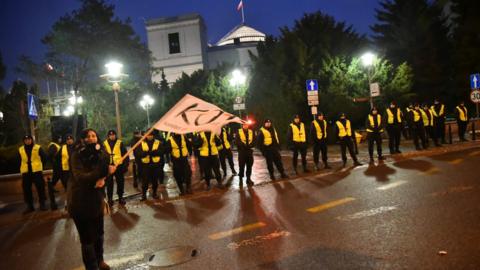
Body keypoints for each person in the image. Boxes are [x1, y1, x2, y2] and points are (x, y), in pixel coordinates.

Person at [67, 128, 113, 270]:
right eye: (88, 136)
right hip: (80, 202)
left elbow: (103, 172)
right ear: (82, 139)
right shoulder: (76, 156)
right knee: (87, 240)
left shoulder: (101, 153)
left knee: (99, 235)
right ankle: (91, 267)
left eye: (94, 135)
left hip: (96, 201)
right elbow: (80, 178)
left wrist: (107, 174)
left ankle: (100, 260)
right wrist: (98, 176)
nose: (92, 138)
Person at [19, 135, 48, 213]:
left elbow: (45, 157)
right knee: (26, 190)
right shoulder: (21, 149)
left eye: (29, 139)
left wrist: (41, 166)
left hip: (36, 172)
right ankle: (30, 206)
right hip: (26, 173)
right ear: (24, 141)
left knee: (40, 188)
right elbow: (18, 160)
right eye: (26, 140)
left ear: (31, 140)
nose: (27, 141)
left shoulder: (38, 147)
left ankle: (42, 204)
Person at [103, 130, 129, 206]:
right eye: (110, 135)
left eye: (113, 135)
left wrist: (125, 165)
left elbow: (125, 155)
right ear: (108, 136)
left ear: (115, 135)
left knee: (120, 183)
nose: (112, 136)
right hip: (109, 167)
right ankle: (110, 199)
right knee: (109, 184)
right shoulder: (104, 144)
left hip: (118, 166)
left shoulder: (120, 143)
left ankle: (121, 197)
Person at [137, 131, 164, 201]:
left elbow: (162, 152)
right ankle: (144, 195)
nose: (150, 136)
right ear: (146, 136)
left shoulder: (158, 142)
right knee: (145, 181)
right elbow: (138, 153)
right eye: (148, 135)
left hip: (155, 164)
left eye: (151, 135)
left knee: (155, 181)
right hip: (145, 165)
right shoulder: (141, 143)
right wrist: (144, 153)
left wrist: (155, 152)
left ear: (153, 136)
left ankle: (154, 193)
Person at [236, 120, 256, 186]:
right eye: (244, 125)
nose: (246, 126)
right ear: (242, 125)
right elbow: (236, 141)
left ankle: (248, 179)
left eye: (247, 125)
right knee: (241, 166)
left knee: (249, 166)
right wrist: (242, 144)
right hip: (242, 152)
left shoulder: (251, 131)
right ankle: (241, 176)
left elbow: (254, 140)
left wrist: (252, 145)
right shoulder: (238, 131)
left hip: (249, 151)